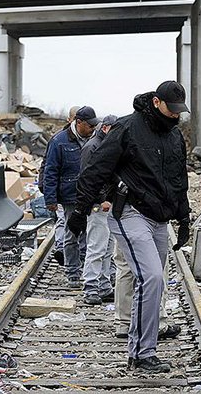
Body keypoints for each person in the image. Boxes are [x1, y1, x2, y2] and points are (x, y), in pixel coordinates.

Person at [67, 81, 191, 374]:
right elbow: (96, 169)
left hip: (159, 219)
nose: (175, 115)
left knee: (154, 281)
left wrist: (184, 218)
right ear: (157, 102)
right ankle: (141, 353)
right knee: (151, 278)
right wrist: (81, 211)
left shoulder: (175, 137)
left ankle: (142, 350)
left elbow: (179, 181)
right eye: (172, 110)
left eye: (179, 111)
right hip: (130, 212)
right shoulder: (127, 128)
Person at [44, 106, 98, 287]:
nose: (92, 129)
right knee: (71, 233)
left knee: (88, 233)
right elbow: (50, 171)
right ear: (78, 122)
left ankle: (83, 265)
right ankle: (72, 272)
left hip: (90, 194)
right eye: (89, 126)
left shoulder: (95, 139)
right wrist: (50, 199)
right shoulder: (59, 141)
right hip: (69, 196)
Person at [80, 114, 117, 305]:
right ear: (105, 128)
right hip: (97, 206)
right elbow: (88, 178)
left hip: (106, 205)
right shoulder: (92, 147)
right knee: (97, 247)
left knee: (107, 248)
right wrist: (101, 199)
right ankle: (90, 287)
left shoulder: (104, 145)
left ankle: (103, 286)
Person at [42, 105, 79, 265]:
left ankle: (68, 253)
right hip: (64, 191)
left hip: (75, 192)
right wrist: (49, 196)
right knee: (63, 220)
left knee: (68, 223)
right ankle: (61, 249)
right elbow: (48, 168)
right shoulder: (58, 140)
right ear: (69, 119)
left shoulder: (87, 137)